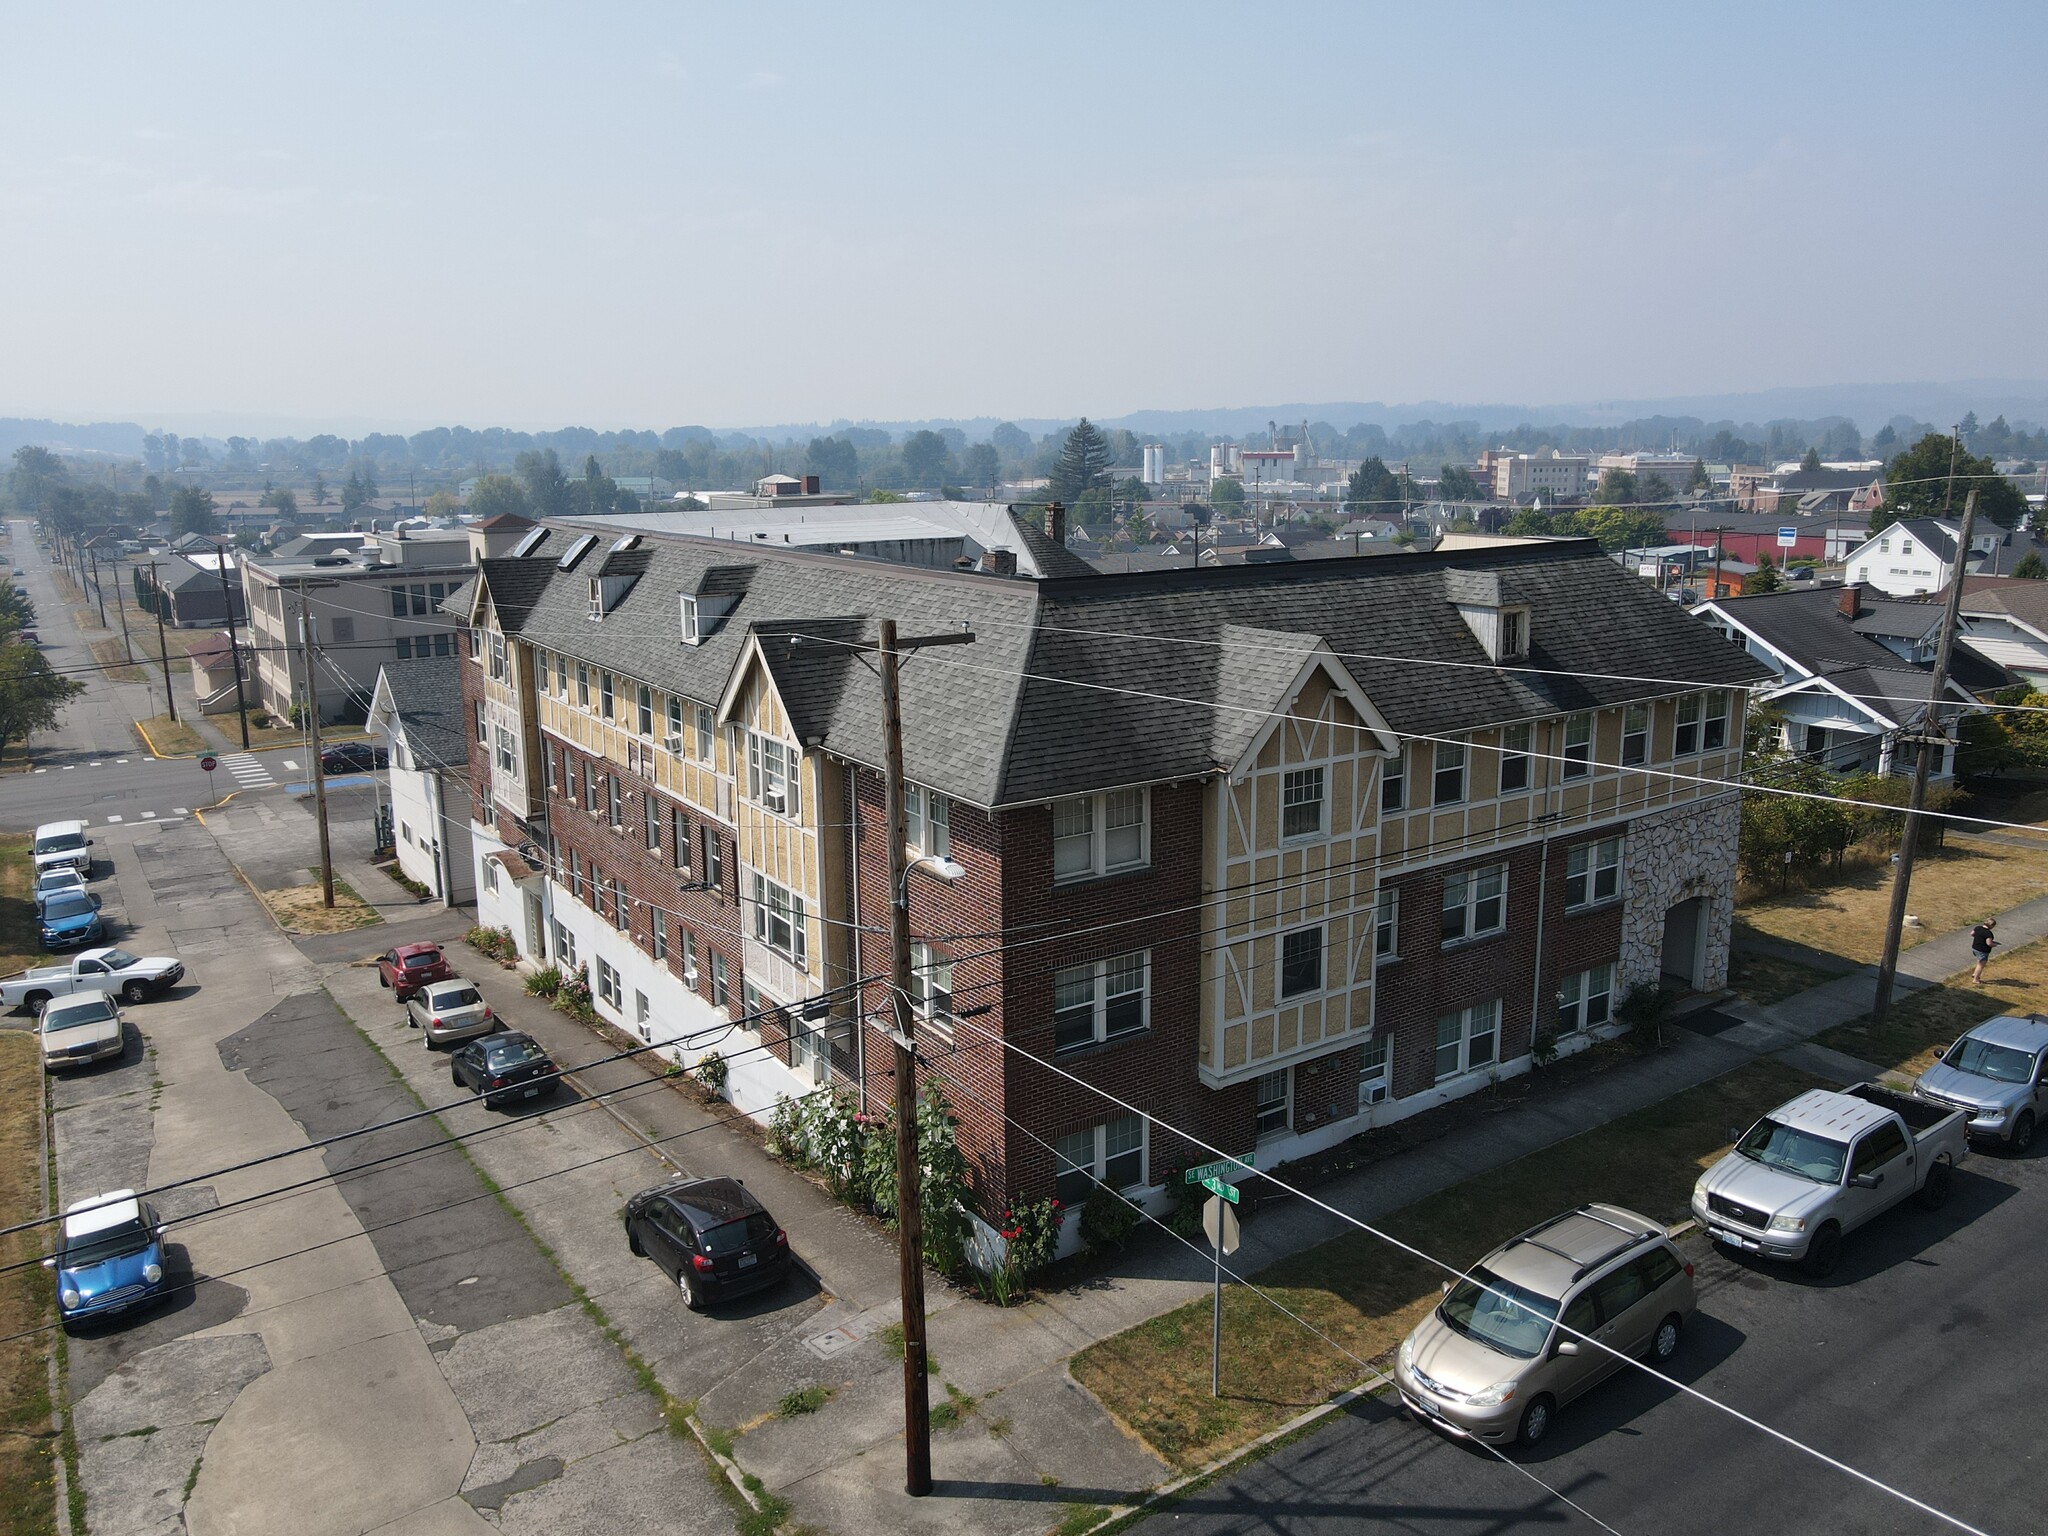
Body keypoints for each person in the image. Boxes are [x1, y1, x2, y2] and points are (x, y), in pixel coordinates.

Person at [1971, 918, 1998, 984]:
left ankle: (1975, 973)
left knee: (1979, 961)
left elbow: (1972, 934)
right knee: (1981, 965)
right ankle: (1976, 979)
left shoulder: (1977, 928)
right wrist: (1995, 944)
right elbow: (1989, 943)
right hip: (1982, 951)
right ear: (1991, 926)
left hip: (1975, 948)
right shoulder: (1988, 933)